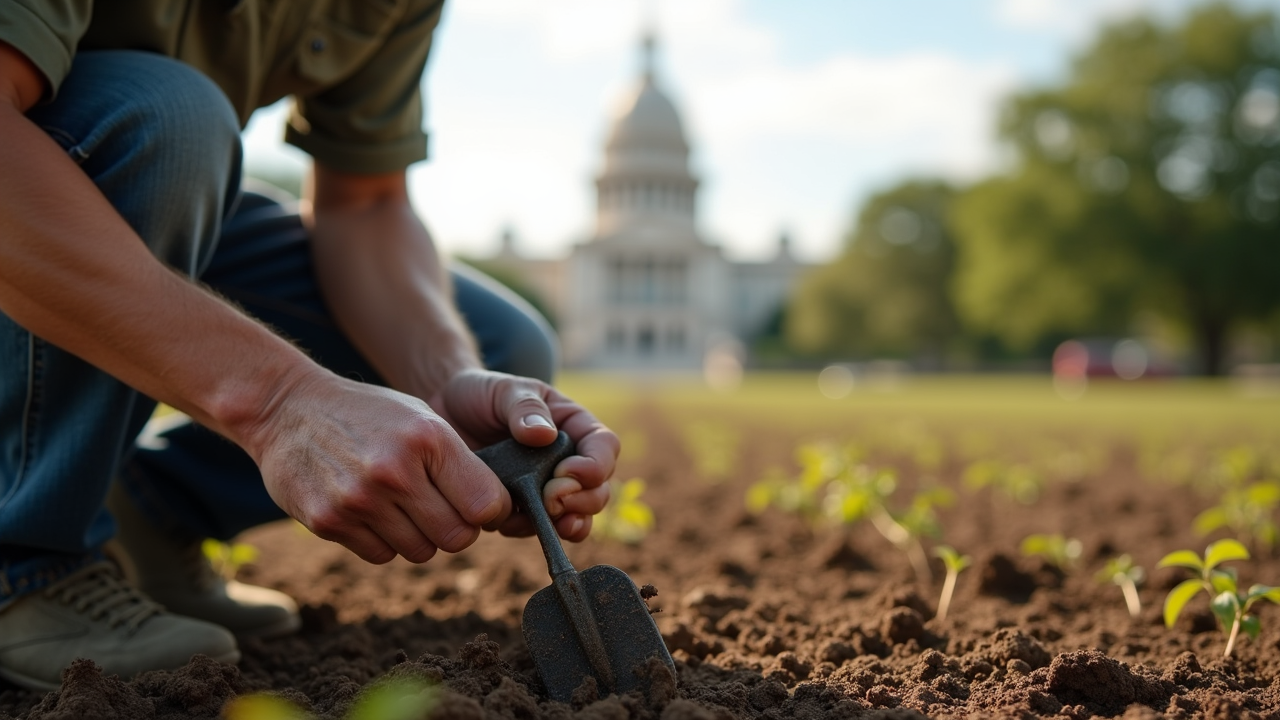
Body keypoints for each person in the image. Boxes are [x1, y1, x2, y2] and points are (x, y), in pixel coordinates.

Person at [0, 0, 619, 691]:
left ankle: (138, 514)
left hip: (137, 171)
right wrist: (279, 401)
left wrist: (443, 383)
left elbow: (365, 201)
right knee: (169, 119)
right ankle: (20, 563)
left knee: (503, 344)